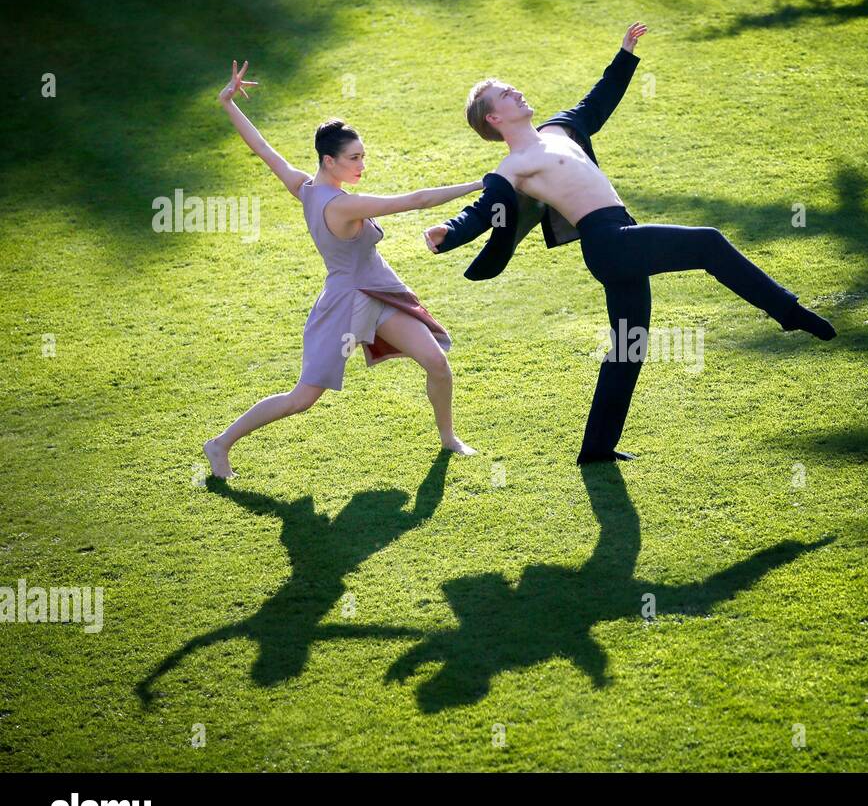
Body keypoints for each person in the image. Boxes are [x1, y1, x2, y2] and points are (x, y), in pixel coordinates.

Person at [423, 24, 835, 465]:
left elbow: (598, 100)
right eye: (506, 94)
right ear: (494, 118)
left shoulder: (561, 129)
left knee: (629, 347)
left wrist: (625, 54)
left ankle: (596, 450)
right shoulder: (515, 166)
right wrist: (448, 233)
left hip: (622, 234)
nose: (517, 92)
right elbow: (484, 210)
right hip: (608, 243)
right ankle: (788, 312)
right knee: (708, 244)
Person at [203, 61, 481, 479]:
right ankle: (220, 443)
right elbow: (419, 200)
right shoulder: (342, 204)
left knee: (437, 364)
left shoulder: (305, 187)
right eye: (354, 158)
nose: (361, 165)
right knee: (302, 398)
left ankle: (448, 438)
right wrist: (482, 184)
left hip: (379, 295)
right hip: (346, 304)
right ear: (329, 160)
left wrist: (228, 102)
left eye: (363, 156)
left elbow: (263, 149)